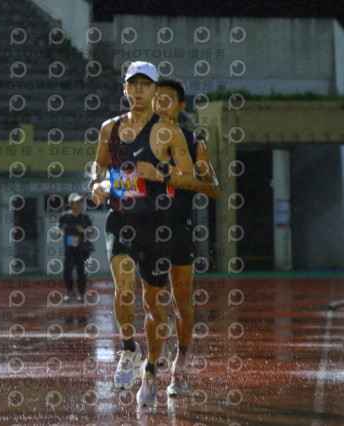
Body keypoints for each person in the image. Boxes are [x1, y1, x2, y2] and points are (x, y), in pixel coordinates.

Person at [89, 61, 196, 407]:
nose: (138, 90)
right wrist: (96, 185)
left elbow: (189, 176)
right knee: (123, 288)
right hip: (120, 219)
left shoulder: (169, 132)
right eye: (132, 84)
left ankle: (150, 369)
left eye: (145, 84)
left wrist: (158, 172)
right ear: (124, 89)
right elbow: (99, 167)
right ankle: (127, 348)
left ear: (154, 91)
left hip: (156, 224)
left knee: (152, 303)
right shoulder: (110, 128)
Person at [136, 76, 220, 397]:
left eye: (167, 99)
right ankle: (150, 370)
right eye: (156, 98)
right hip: (148, 233)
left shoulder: (193, 141)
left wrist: (184, 174)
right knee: (152, 306)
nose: (160, 104)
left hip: (180, 232)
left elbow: (213, 188)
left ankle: (180, 366)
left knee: (181, 303)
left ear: (180, 106)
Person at [57, 193, 93, 302]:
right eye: (76, 202)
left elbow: (90, 230)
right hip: (70, 250)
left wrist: (83, 230)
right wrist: (59, 231)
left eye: (80, 202)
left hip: (82, 250)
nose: (79, 204)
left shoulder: (85, 217)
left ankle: (81, 293)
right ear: (70, 204)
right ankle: (69, 292)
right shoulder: (65, 216)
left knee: (81, 272)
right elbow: (58, 226)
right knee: (67, 271)